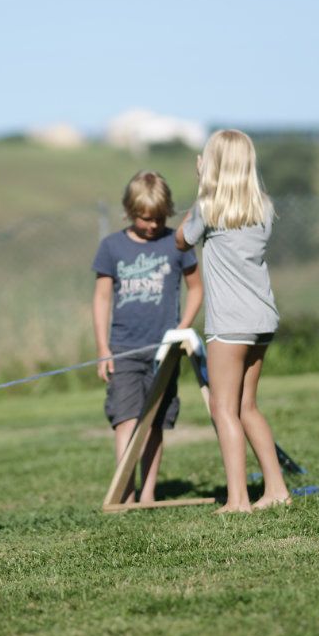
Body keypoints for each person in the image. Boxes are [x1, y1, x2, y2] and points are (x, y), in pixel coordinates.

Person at [176, 129, 289, 513]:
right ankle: (276, 490)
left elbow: (181, 239)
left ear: (211, 165)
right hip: (262, 320)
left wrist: (200, 185)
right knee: (248, 407)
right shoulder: (264, 208)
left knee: (222, 408)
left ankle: (238, 499)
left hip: (229, 324)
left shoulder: (208, 207)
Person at [92, 171, 202, 504]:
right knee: (125, 420)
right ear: (128, 211)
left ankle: (148, 493)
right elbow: (101, 299)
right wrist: (103, 349)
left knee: (154, 423)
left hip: (164, 353)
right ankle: (124, 493)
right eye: (144, 218)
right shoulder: (112, 246)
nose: (152, 225)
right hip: (124, 349)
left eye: (158, 218)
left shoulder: (178, 243)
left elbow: (196, 289)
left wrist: (182, 328)